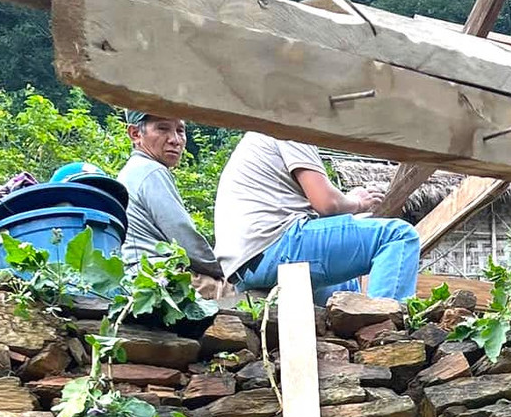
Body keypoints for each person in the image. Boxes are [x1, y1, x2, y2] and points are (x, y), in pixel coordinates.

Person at [213, 132, 420, 305]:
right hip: (275, 246)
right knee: (398, 235)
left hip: (245, 268)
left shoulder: (259, 134)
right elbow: (326, 203)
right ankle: (385, 333)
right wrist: (357, 202)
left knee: (347, 292)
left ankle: (354, 339)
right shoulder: (290, 127)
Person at [114, 110, 228, 299]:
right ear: (135, 134)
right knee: (243, 295)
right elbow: (182, 236)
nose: (175, 140)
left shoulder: (130, 171)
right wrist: (222, 271)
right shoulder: (151, 171)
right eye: (163, 128)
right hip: (158, 277)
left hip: (136, 276)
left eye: (180, 130)